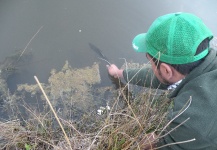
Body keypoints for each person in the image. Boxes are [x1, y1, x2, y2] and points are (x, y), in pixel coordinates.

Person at [107, 12, 217, 149]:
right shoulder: (202, 61)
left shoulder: (191, 122)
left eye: (150, 62)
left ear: (166, 70)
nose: (151, 67)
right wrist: (120, 73)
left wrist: (158, 142)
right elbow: (162, 77)